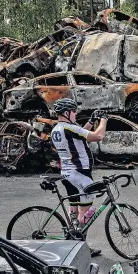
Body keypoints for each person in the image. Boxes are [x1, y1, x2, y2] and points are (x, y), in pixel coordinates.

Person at [50, 98, 107, 254]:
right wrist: (103, 120)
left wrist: (91, 120)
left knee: (74, 209)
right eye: (74, 112)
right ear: (67, 113)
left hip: (67, 174)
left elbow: (80, 133)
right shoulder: (69, 127)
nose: (75, 114)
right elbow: (98, 136)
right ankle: (82, 249)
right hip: (80, 174)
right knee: (85, 214)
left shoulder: (58, 129)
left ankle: (72, 243)